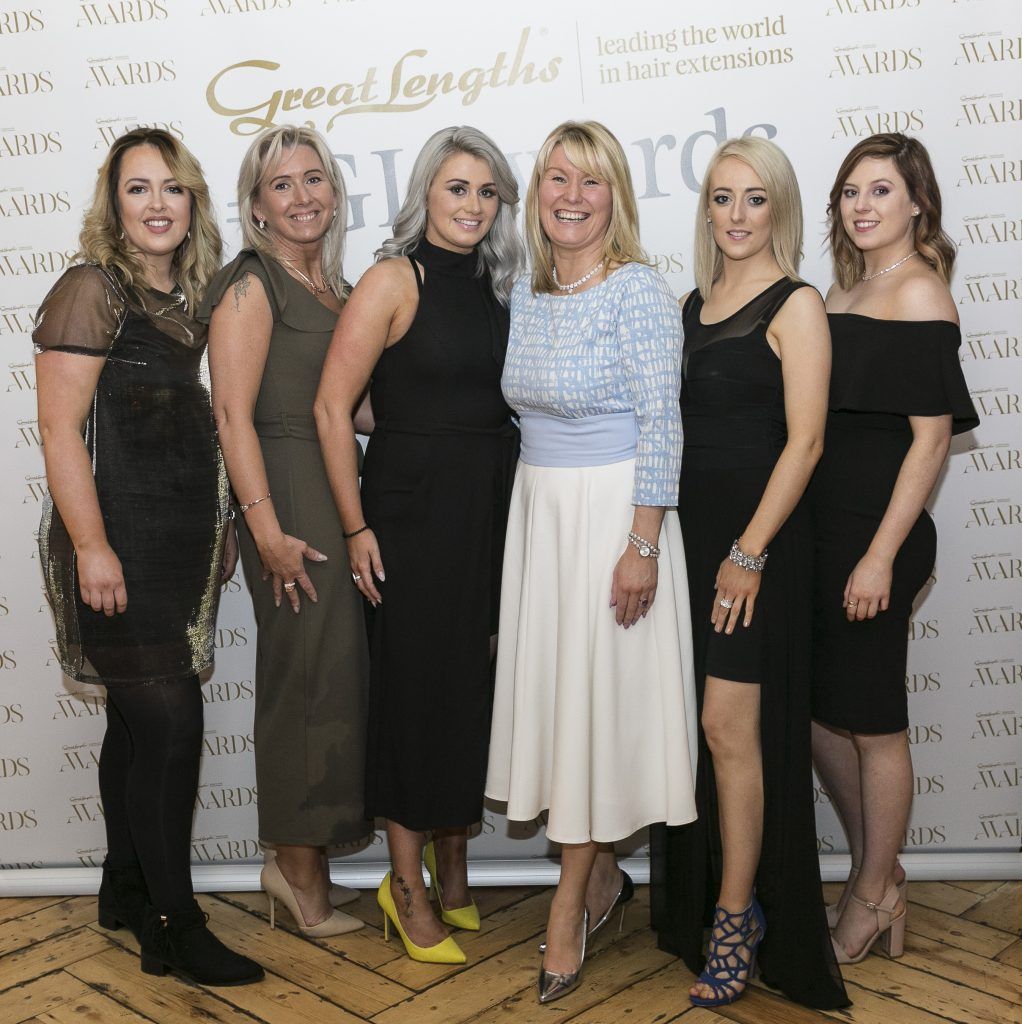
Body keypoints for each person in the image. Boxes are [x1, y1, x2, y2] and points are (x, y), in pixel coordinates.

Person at [34, 128, 262, 986]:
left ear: (193, 201)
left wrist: (224, 521)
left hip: (176, 548)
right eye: (138, 189)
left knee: (134, 726)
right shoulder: (93, 289)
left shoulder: (188, 296)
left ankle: (125, 888)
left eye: (172, 187)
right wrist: (93, 546)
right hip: (112, 546)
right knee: (170, 727)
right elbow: (60, 431)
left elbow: (178, 431)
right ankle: (176, 925)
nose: (157, 203)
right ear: (113, 204)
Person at [484, 120, 698, 1004]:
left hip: (615, 520)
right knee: (570, 707)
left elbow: (664, 424)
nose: (572, 197)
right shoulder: (529, 292)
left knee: (599, 703)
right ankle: (603, 876)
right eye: (557, 179)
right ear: (537, 194)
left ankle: (569, 902)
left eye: (592, 182)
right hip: (540, 520)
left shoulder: (639, 291)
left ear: (618, 197)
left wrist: (642, 544)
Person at [314, 125, 524, 964]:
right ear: (425, 197)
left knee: (466, 692)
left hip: (483, 515)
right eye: (456, 189)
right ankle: (403, 889)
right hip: (407, 520)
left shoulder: (501, 288)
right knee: (413, 697)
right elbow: (334, 409)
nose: (472, 205)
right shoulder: (392, 277)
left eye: (486, 192)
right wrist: (356, 526)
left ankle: (453, 868)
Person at [648, 137, 848, 1010]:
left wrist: (749, 553)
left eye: (754, 199)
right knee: (699, 732)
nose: (735, 215)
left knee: (731, 730)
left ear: (781, 210)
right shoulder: (690, 304)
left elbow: (805, 443)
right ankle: (708, 900)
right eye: (721, 198)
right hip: (692, 548)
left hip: (753, 551)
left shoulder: (797, 304)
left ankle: (739, 917)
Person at [809, 133, 978, 965]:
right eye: (850, 192)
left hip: (879, 537)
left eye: (881, 190)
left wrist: (880, 555)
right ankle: (883, 869)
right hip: (824, 531)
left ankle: (874, 891)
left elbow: (930, 442)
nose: (863, 205)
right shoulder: (843, 292)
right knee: (816, 712)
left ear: (917, 203)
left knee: (874, 723)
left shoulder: (919, 292)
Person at [201, 125, 369, 937]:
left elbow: (358, 406)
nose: (302, 197)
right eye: (282, 185)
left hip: (335, 493)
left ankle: (312, 869)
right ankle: (296, 875)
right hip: (289, 497)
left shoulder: (334, 289)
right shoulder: (250, 282)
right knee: (304, 682)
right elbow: (231, 412)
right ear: (257, 205)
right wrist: (262, 526)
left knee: (333, 680)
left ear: (334, 194)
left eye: (314, 180)